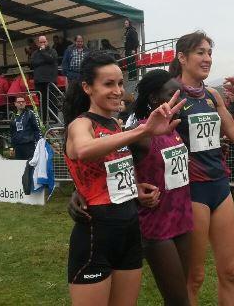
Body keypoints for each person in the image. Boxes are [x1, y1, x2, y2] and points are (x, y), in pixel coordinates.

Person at [62, 51, 184, 305]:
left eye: (119, 83)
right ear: (87, 87)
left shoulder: (114, 126)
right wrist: (142, 130)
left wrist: (135, 189)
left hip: (129, 230)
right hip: (97, 233)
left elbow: (109, 174)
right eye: (108, 84)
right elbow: (84, 150)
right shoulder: (80, 125)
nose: (118, 90)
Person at [169, 31, 234, 305]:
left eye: (209, 53)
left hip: (219, 186)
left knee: (231, 271)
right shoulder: (170, 93)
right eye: (200, 53)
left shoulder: (213, 95)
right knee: (194, 277)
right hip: (190, 190)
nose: (207, 59)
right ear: (182, 57)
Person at [30, 35, 58, 122]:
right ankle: (44, 119)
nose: (42, 44)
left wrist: (43, 53)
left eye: (44, 42)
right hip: (39, 81)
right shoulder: (35, 53)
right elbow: (32, 64)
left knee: (52, 100)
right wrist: (44, 60)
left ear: (47, 42)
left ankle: (54, 119)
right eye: (41, 42)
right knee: (42, 101)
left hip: (50, 80)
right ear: (38, 43)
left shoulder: (52, 51)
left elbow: (51, 59)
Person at [10, 95, 42, 160]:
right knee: (19, 166)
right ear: (15, 104)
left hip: (29, 145)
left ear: (25, 103)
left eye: (23, 102)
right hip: (18, 146)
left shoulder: (30, 114)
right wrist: (12, 147)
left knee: (30, 166)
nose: (21, 103)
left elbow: (37, 130)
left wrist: (39, 145)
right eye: (19, 102)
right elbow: (12, 133)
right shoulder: (13, 116)